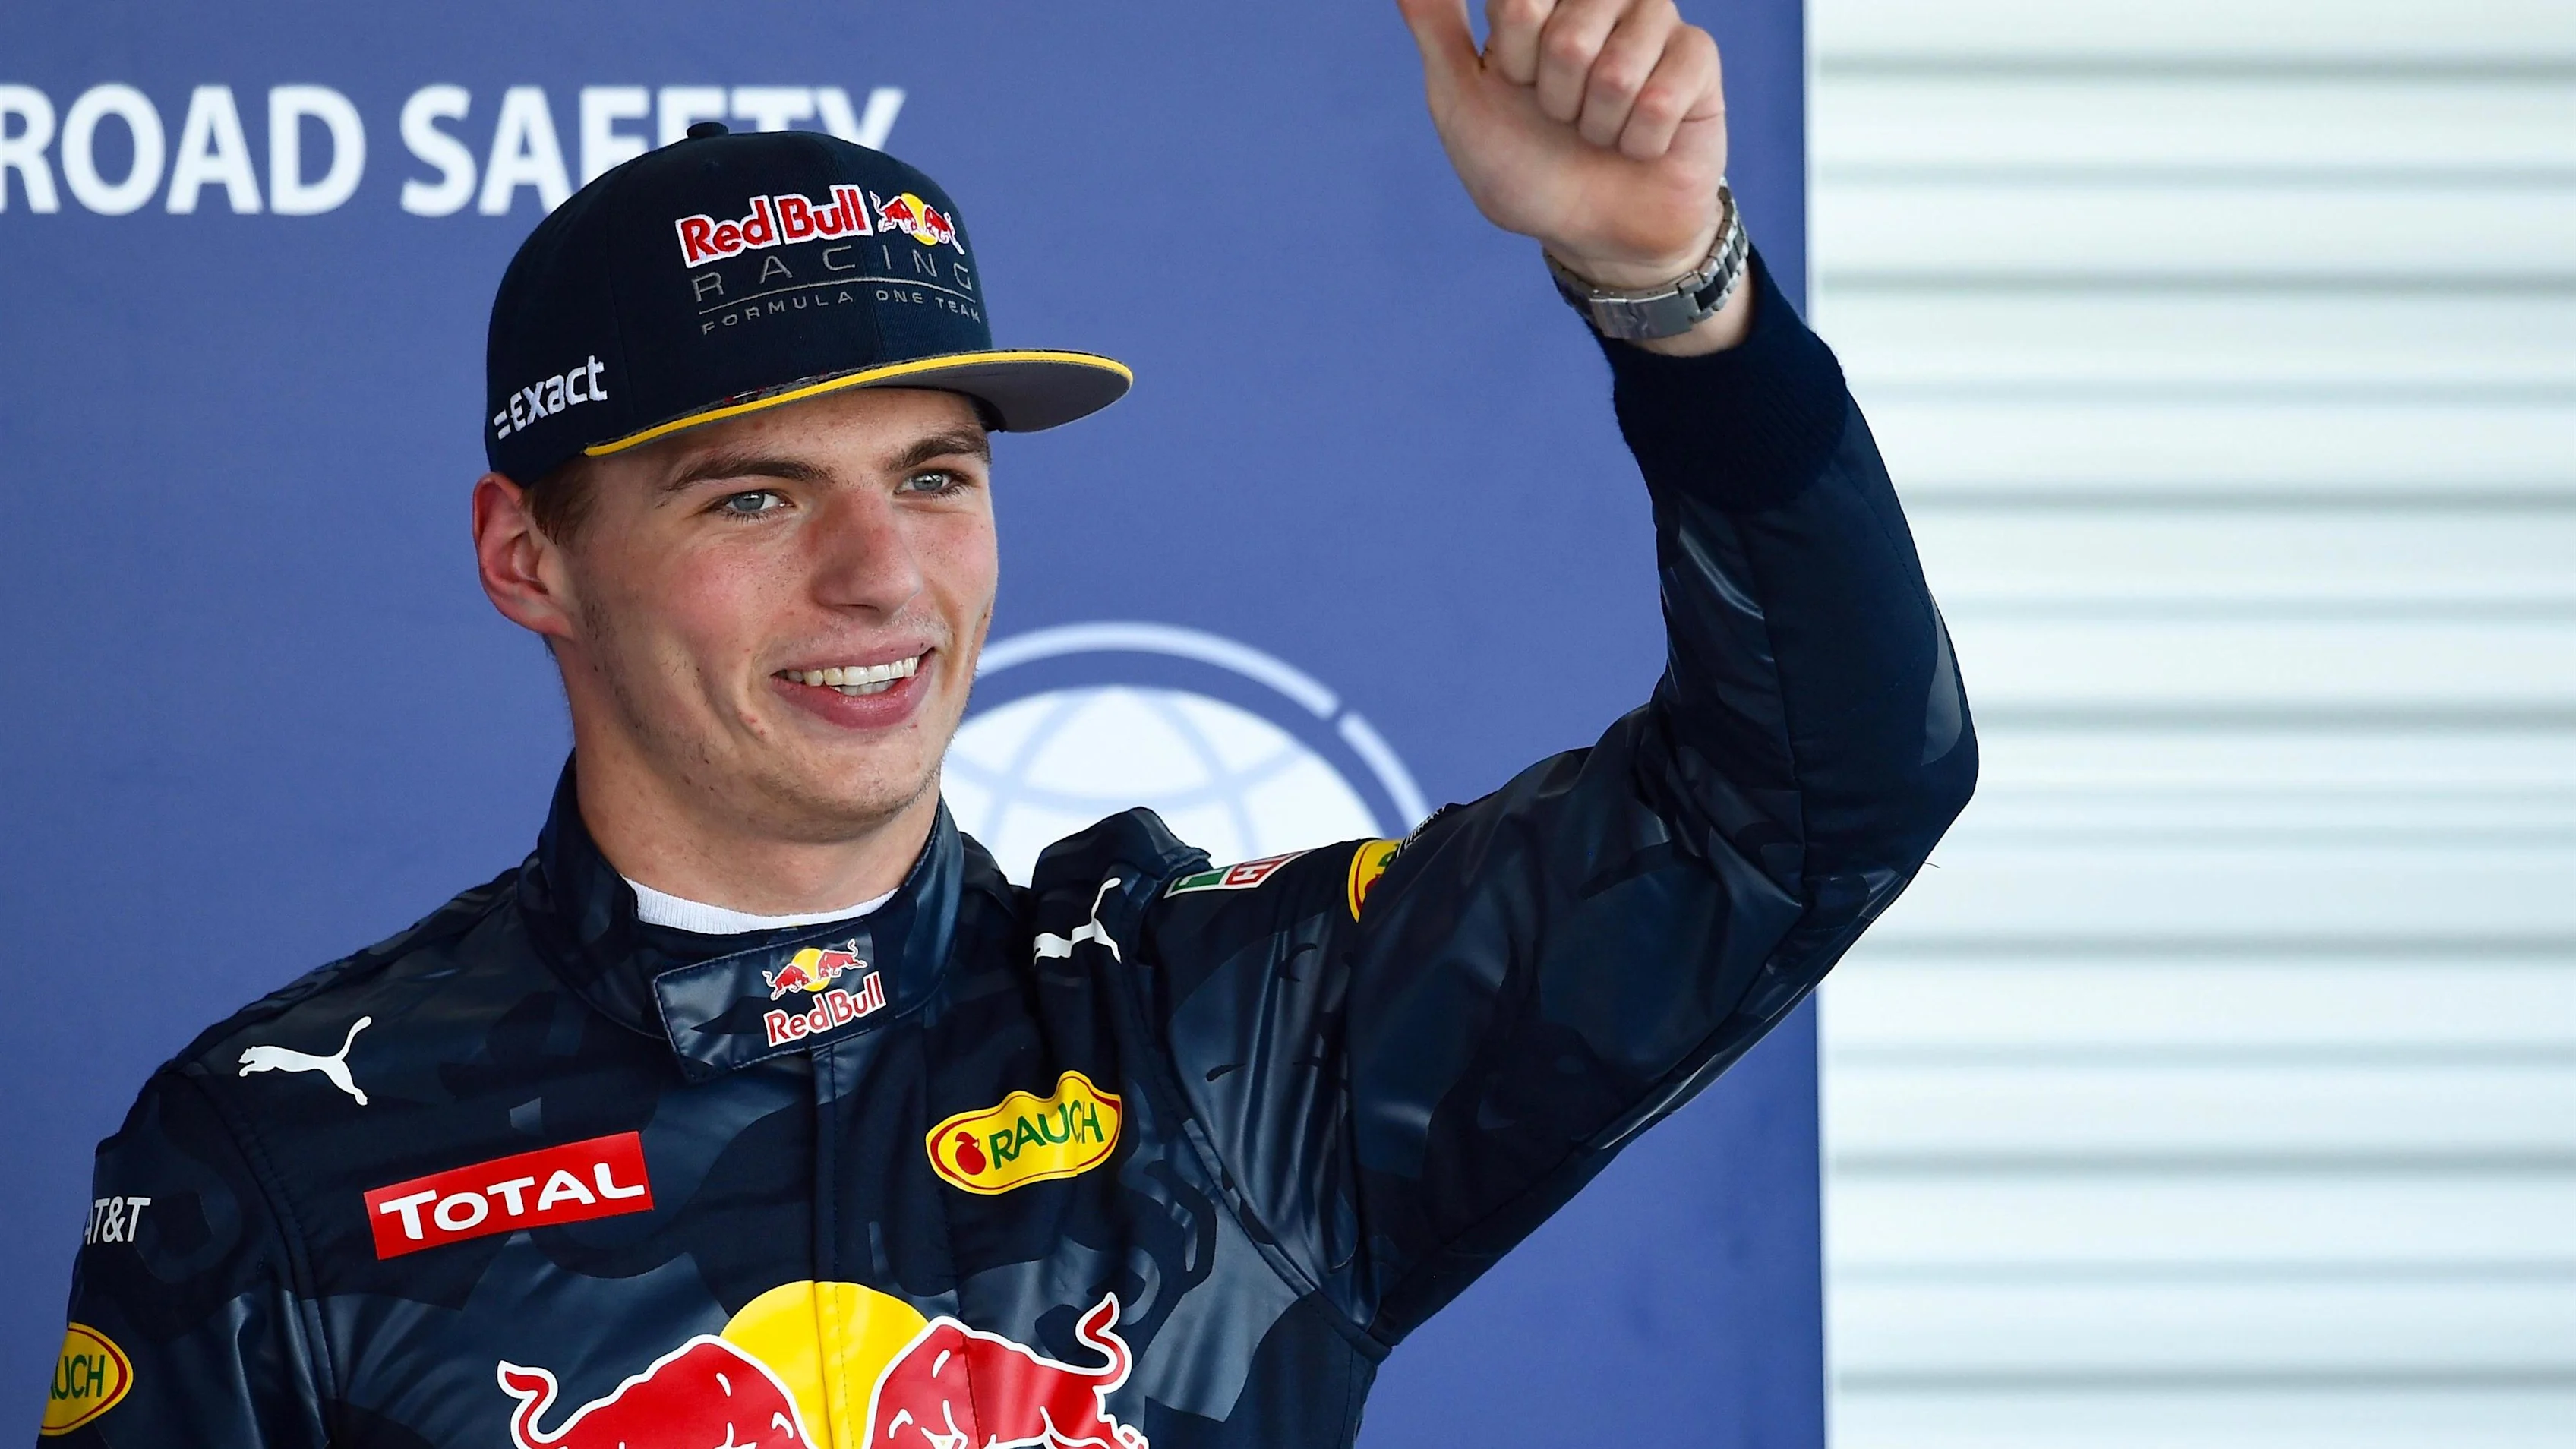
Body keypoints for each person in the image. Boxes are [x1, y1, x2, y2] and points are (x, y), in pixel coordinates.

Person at [40, 0, 1975, 1443]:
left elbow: (1813, 799)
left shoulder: (1242, 1034)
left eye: (938, 476)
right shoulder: (282, 1154)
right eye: (754, 495)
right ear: (526, 554)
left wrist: (1674, 295)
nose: (881, 576)